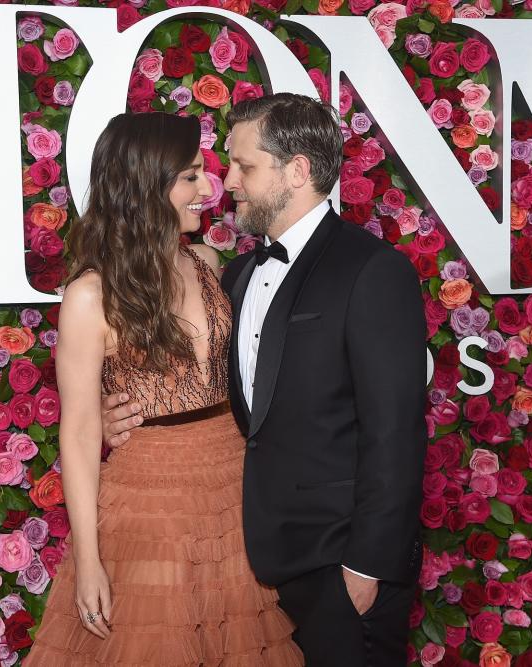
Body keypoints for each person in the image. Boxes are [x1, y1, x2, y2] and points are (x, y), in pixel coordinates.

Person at [103, 93, 428, 666]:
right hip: (250, 561)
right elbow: (216, 392)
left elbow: (395, 435)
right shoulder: (236, 273)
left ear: (297, 170)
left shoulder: (373, 270)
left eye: (244, 166)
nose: (226, 182)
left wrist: (366, 566)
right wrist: (123, 412)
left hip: (341, 563)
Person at [23, 112, 303, 666]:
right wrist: (88, 561)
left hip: (234, 487)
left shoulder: (206, 262)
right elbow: (78, 432)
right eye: (191, 176)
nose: (210, 189)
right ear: (146, 184)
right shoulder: (89, 297)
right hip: (149, 498)